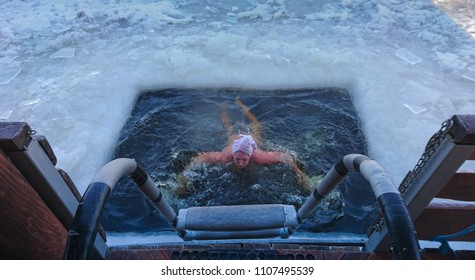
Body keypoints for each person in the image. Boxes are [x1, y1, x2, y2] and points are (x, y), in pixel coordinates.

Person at [188, 97, 308, 186]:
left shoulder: (261, 157)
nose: (240, 163)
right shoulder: (225, 157)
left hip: (252, 137)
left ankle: (240, 103)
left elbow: (286, 157)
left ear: (250, 156)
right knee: (228, 126)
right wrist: (183, 177)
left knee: (256, 124)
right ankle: (223, 108)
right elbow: (201, 157)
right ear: (233, 155)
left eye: (244, 160)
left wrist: (300, 174)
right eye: (237, 159)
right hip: (234, 137)